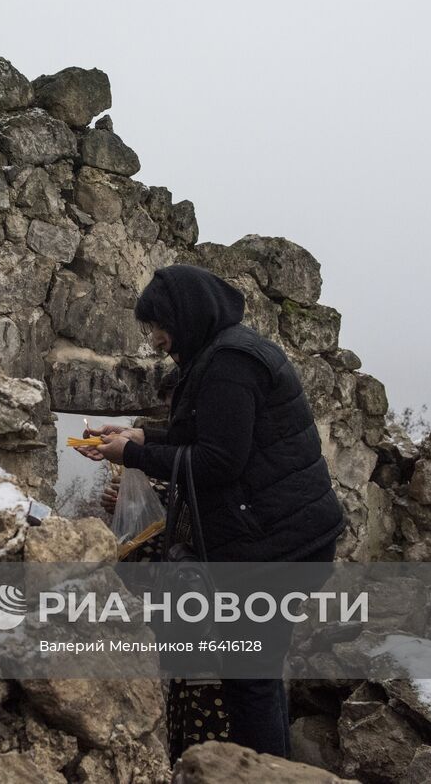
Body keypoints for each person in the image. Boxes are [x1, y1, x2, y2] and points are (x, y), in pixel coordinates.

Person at [74, 263, 346, 760]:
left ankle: (266, 773)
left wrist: (130, 455)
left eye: (159, 326)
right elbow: (205, 434)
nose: (154, 339)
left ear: (187, 317)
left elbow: (219, 461)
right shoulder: (217, 355)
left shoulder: (230, 363)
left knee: (252, 679)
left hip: (278, 549)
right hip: (276, 539)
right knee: (253, 673)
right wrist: (139, 436)